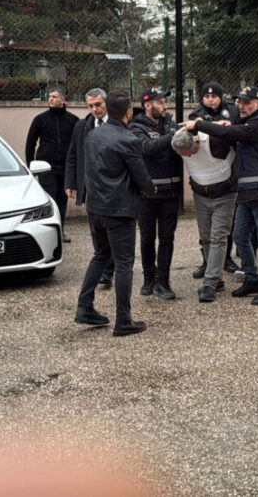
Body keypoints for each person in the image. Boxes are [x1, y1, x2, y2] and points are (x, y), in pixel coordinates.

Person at [182, 86, 258, 305]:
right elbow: (234, 130)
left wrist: (199, 124)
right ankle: (252, 278)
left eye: (247, 103)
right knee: (239, 236)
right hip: (247, 189)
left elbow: (231, 133)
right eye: (240, 102)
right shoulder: (249, 122)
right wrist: (228, 124)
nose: (242, 106)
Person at [74, 89, 154, 336]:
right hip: (119, 210)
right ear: (129, 111)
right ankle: (123, 320)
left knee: (100, 256)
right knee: (124, 265)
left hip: (96, 208)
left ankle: (84, 307)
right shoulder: (128, 140)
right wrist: (151, 189)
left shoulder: (93, 135)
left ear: (108, 108)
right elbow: (142, 179)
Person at [172, 128, 236, 302]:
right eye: (185, 155)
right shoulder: (179, 141)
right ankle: (218, 279)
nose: (190, 157)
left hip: (225, 194)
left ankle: (209, 283)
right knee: (206, 238)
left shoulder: (215, 142)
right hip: (201, 196)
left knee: (218, 237)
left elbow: (237, 134)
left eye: (191, 153)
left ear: (197, 142)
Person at [128, 88, 181, 300]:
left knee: (167, 238)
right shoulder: (136, 126)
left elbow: (180, 143)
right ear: (148, 105)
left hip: (170, 192)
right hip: (147, 194)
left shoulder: (170, 123)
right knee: (147, 237)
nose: (165, 106)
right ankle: (148, 277)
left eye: (164, 102)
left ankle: (163, 281)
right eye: (160, 102)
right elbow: (148, 148)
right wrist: (172, 137)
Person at [189, 82, 242, 276]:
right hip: (205, 174)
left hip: (227, 173)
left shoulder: (233, 112)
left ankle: (225, 259)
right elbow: (194, 132)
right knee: (205, 229)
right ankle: (206, 262)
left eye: (214, 96)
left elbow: (237, 131)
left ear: (221, 97)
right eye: (206, 96)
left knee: (225, 227)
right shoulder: (196, 115)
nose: (210, 99)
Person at [65, 89, 114, 287]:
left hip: (113, 188)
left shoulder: (118, 123)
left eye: (99, 105)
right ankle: (104, 268)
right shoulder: (82, 126)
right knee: (97, 232)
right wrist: (70, 182)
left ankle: (110, 268)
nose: (95, 109)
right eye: (91, 106)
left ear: (107, 103)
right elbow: (73, 156)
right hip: (91, 188)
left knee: (113, 230)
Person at [25, 88, 79, 242]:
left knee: (62, 199)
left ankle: (60, 231)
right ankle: (48, 232)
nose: (51, 99)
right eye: (49, 97)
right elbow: (31, 143)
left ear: (63, 100)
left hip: (66, 167)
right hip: (45, 167)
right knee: (49, 199)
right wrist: (30, 166)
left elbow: (77, 145)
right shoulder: (40, 119)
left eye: (55, 97)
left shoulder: (73, 120)